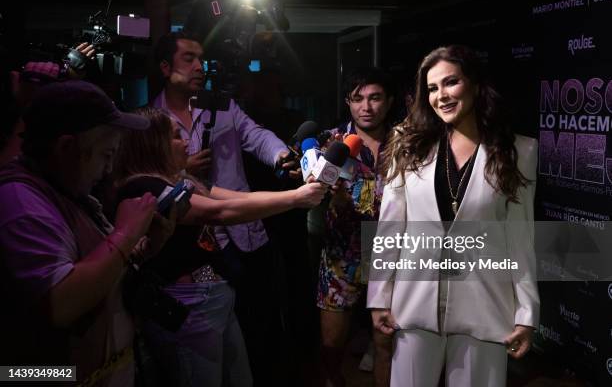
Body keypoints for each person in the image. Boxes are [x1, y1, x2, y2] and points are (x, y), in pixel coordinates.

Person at [113, 106, 327, 387]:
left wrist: (294, 194)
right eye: (176, 136)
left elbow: (236, 200)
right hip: (187, 305)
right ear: (153, 145)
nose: (186, 141)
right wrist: (295, 199)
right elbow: (218, 213)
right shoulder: (144, 187)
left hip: (213, 297)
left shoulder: (179, 179)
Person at [367, 45, 539, 387]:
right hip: (413, 308)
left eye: (451, 83)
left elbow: (520, 240)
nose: (441, 95)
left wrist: (527, 312)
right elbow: (390, 229)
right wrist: (379, 296)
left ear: (474, 85)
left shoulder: (518, 151)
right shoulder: (408, 146)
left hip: (486, 311)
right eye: (432, 88)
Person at [0, 80, 173, 386]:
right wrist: (126, 232)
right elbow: (61, 304)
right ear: (66, 147)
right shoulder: (20, 203)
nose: (108, 171)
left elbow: (94, 264)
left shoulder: (63, 188)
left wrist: (148, 244)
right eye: (105, 155)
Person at [151, 31, 301, 384]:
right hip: (196, 244)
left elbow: (257, 135)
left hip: (246, 235)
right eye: (188, 59)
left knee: (259, 324)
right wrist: (181, 170)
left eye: (201, 59)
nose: (199, 67)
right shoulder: (152, 121)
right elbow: (145, 175)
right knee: (210, 334)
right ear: (164, 67)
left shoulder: (221, 105)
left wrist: (280, 155)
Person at [316, 67, 395, 387]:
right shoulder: (331, 143)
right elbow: (309, 195)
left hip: (391, 256)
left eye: (375, 98)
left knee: (385, 345)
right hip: (341, 255)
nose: (367, 106)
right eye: (358, 98)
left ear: (389, 102)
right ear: (348, 103)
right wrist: (327, 197)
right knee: (331, 345)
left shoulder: (406, 142)